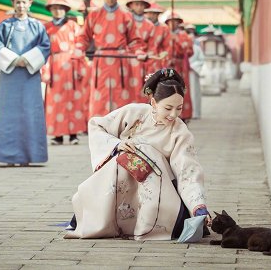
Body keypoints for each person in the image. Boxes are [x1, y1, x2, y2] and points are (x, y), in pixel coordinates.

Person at [64, 68, 211, 240]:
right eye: (168, 108)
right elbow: (97, 126)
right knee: (126, 154)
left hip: (158, 185)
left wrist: (197, 206)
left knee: (146, 151)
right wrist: (117, 144)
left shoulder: (180, 132)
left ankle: (144, 222)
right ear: (154, 102)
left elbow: (188, 171)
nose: (173, 115)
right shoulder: (133, 113)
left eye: (179, 108)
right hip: (123, 179)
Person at [0, 0, 51, 166]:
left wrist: (28, 59)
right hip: (10, 75)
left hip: (30, 75)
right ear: (13, 4)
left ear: (30, 3)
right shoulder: (4, 26)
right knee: (9, 114)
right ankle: (8, 156)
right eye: (18, 2)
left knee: (30, 113)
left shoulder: (38, 26)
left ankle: (29, 155)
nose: (21, 5)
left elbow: (45, 46)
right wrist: (14, 60)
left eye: (24, 2)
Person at [74, 0, 146, 118]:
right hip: (101, 60)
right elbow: (84, 37)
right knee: (100, 96)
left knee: (122, 94)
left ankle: (122, 127)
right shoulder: (94, 15)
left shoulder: (126, 15)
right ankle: (100, 128)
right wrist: (78, 49)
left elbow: (135, 40)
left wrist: (139, 52)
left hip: (121, 59)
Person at [42, 0, 87, 145]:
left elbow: (80, 44)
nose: (57, 11)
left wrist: (79, 65)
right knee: (56, 101)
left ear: (65, 10)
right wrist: (46, 69)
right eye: (54, 8)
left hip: (72, 63)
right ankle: (58, 134)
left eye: (61, 8)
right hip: (54, 63)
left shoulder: (73, 26)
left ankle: (74, 134)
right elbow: (44, 49)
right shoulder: (46, 27)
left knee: (74, 99)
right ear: (50, 10)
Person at [125, 0, 155, 103]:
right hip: (125, 60)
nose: (139, 7)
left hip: (142, 61)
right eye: (136, 4)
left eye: (141, 5)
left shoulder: (149, 25)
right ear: (131, 6)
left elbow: (152, 47)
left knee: (140, 89)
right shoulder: (125, 21)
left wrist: (149, 62)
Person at [165, 13, 193, 121]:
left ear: (179, 23)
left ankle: (184, 114)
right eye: (170, 21)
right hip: (168, 65)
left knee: (182, 89)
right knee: (168, 89)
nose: (173, 24)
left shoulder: (184, 35)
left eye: (175, 21)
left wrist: (177, 42)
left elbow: (189, 51)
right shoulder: (164, 34)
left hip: (181, 66)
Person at [144, 1, 172, 79]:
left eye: (154, 13)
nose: (151, 15)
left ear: (158, 14)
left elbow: (168, 47)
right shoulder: (142, 26)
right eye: (149, 13)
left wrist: (164, 57)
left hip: (157, 60)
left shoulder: (164, 28)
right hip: (143, 59)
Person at [185, 25, 205, 119]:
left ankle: (195, 113)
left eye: (192, 34)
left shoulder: (197, 48)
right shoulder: (183, 47)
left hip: (193, 72)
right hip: (184, 72)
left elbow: (201, 59)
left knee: (194, 93)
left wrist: (192, 66)